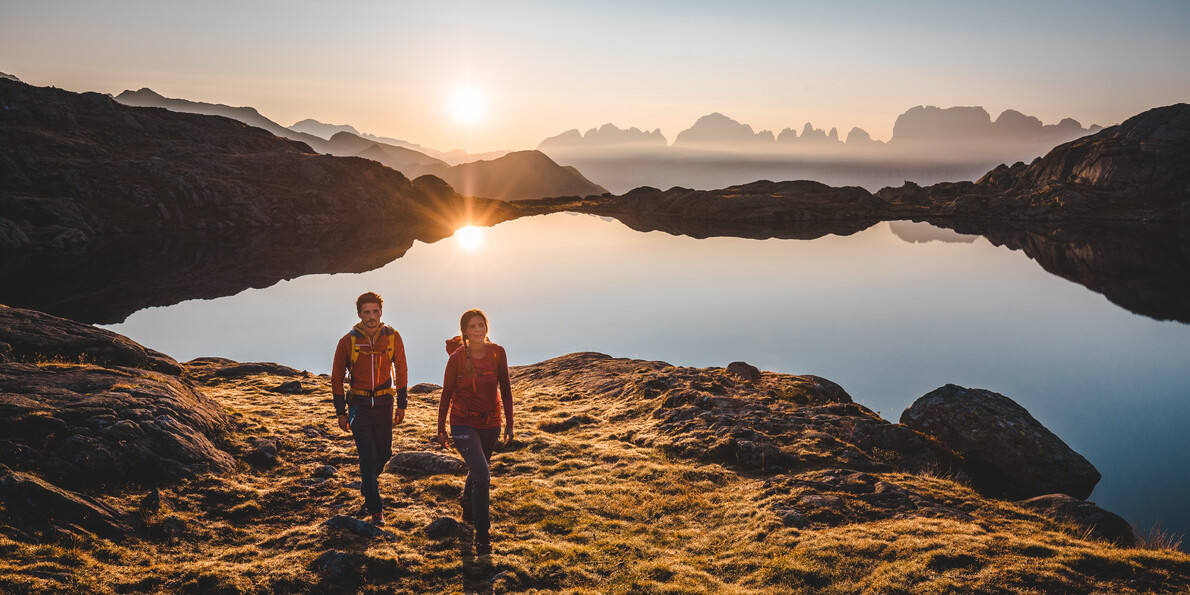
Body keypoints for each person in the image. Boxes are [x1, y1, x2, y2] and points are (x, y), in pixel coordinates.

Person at [437, 309, 513, 552]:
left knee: (478, 468)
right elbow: (446, 394)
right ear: (465, 332)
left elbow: (507, 390)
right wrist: (441, 428)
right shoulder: (457, 358)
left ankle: (468, 502)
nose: (478, 330)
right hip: (462, 423)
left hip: (491, 423)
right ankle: (482, 534)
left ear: (486, 328)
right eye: (473, 326)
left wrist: (510, 424)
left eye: (481, 325)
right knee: (483, 475)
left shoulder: (498, 353)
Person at [331, 292, 408, 526]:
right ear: (359, 314)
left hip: (385, 403)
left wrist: (402, 404)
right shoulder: (348, 342)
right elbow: (336, 378)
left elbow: (402, 371)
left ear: (381, 312)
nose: (372, 317)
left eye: (375, 311)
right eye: (367, 312)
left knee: (384, 454)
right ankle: (376, 509)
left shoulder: (393, 337)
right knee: (367, 456)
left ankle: (368, 484)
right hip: (359, 405)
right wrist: (341, 412)